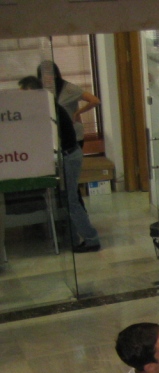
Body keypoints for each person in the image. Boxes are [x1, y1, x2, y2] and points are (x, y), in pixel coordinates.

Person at [19, 74, 100, 252]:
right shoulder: (46, 107)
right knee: (67, 198)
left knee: (71, 200)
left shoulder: (48, 109)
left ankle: (91, 239)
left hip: (68, 156)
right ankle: (74, 238)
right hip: (68, 154)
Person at [38, 60, 100, 148]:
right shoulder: (43, 91)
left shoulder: (68, 89)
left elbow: (95, 101)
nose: (45, 77)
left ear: (55, 74)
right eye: (42, 75)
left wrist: (77, 113)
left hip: (72, 135)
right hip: (54, 135)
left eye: (48, 74)